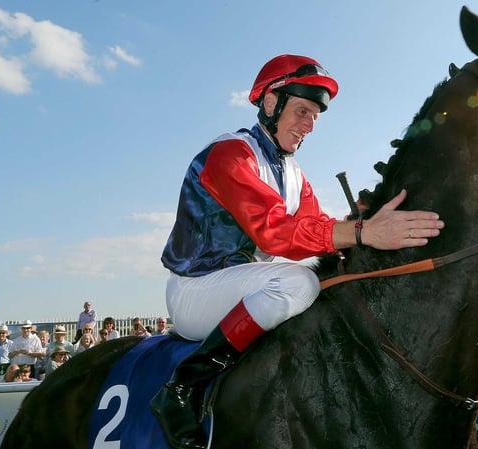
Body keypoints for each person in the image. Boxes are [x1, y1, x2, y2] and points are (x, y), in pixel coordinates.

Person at [150, 53, 446, 449]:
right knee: (300, 284)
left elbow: (314, 231)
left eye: (315, 117)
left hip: (246, 286)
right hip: (197, 291)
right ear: (271, 102)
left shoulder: (293, 173)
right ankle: (182, 386)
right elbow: (275, 233)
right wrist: (362, 232)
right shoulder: (230, 153)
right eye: (302, 111)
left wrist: (362, 221)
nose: (309, 125)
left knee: (326, 278)